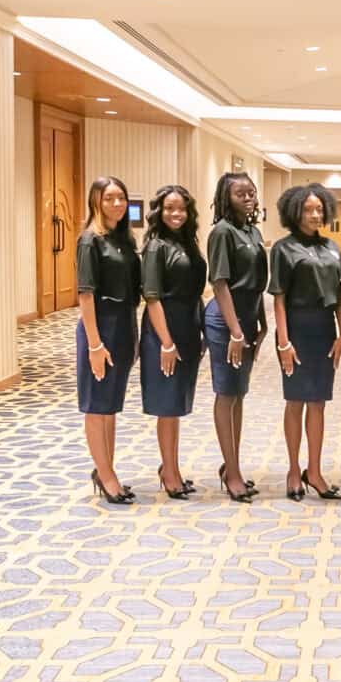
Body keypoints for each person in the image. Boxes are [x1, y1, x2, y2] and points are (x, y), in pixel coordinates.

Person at [269, 184, 341, 502]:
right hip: (296, 330)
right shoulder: (283, 248)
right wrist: (283, 342)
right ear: (295, 212)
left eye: (319, 209)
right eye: (308, 209)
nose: (315, 215)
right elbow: (278, 297)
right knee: (295, 402)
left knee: (318, 402)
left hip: (324, 330)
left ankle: (314, 471)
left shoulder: (331, 247)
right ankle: (293, 470)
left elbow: (338, 294)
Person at [139, 185, 207, 500]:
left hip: (188, 328)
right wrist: (166, 342)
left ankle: (171, 467)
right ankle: (169, 472)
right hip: (163, 331)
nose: (176, 214)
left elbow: (196, 292)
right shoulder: (156, 247)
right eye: (169, 208)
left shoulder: (189, 244)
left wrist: (201, 329)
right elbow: (152, 297)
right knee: (167, 406)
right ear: (159, 211)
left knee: (177, 405)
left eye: (181, 208)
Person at [205, 172, 268, 503]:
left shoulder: (253, 231)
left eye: (250, 192)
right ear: (225, 198)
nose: (247, 198)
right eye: (239, 193)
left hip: (247, 320)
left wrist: (263, 324)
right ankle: (231, 473)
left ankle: (233, 466)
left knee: (239, 394)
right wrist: (235, 331)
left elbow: (257, 284)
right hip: (226, 323)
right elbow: (220, 283)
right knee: (227, 393)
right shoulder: (222, 232)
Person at [76, 176, 140, 505]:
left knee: (110, 406)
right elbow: (85, 295)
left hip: (123, 326)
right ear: (96, 201)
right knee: (96, 405)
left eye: (121, 198)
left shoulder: (123, 239)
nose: (117, 204)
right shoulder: (91, 240)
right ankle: (106, 475)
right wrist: (95, 344)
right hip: (99, 328)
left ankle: (106, 470)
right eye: (109, 198)